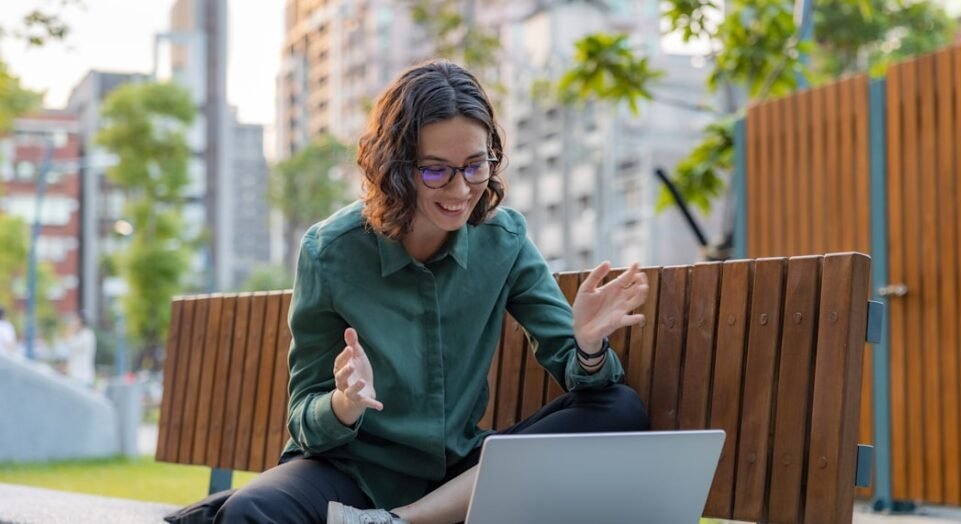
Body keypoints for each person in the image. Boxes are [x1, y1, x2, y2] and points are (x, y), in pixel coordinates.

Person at [168, 60, 651, 524]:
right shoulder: (330, 252)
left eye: (475, 165)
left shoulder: (503, 240)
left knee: (620, 408)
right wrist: (344, 403)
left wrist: (587, 347)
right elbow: (304, 416)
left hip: (457, 474)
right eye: (436, 169)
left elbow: (580, 377)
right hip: (352, 472)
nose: (461, 189)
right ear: (395, 167)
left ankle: (397, 522)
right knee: (253, 512)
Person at [60, 313, 96, 386]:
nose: (73, 323)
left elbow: (70, 344)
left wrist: (70, 331)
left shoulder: (86, 335)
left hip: (81, 377)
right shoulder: (80, 335)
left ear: (80, 321)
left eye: (75, 321)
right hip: (76, 377)